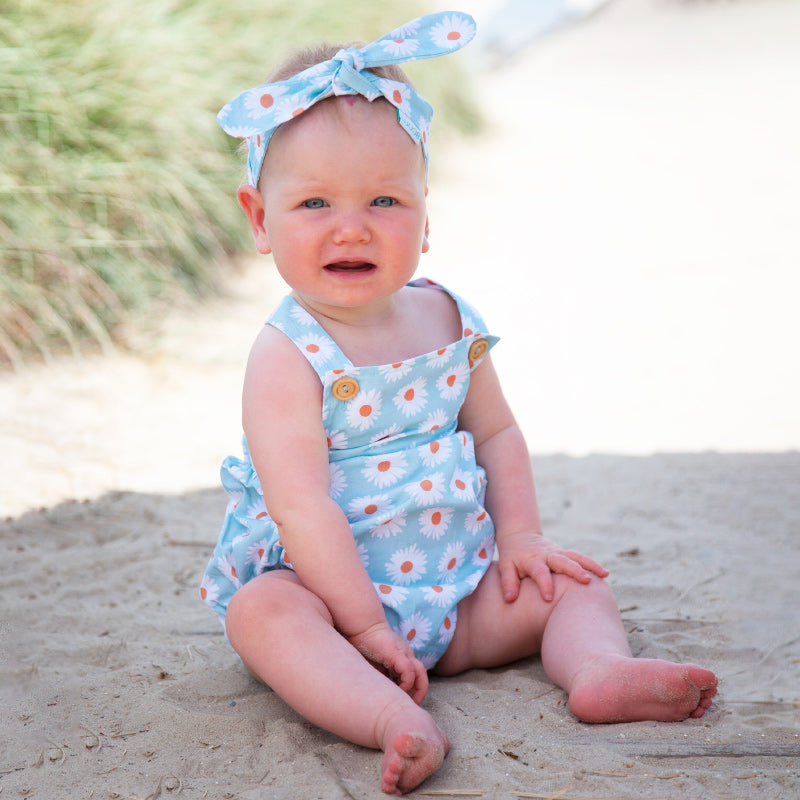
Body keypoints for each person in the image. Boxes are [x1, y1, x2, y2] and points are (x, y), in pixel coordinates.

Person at [200, 11, 718, 796]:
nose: (352, 228)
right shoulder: (286, 356)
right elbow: (300, 507)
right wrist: (366, 625)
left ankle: (599, 671)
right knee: (262, 617)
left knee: (570, 582)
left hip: (459, 588)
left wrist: (519, 538)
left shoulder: (447, 318)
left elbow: (498, 433)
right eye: (314, 205)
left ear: (426, 214)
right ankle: (388, 717)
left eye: (384, 201)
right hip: (333, 606)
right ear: (259, 218)